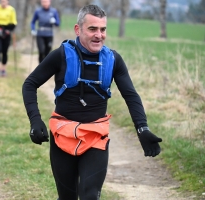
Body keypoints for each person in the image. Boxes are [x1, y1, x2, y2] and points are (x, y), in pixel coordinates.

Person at [22, 4, 162, 200]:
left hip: (95, 137)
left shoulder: (113, 60)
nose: (99, 35)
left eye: (103, 29)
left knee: (90, 196)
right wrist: (35, 120)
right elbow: (29, 84)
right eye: (92, 29)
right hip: (63, 135)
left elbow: (130, 95)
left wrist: (142, 128)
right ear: (78, 30)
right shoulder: (61, 55)